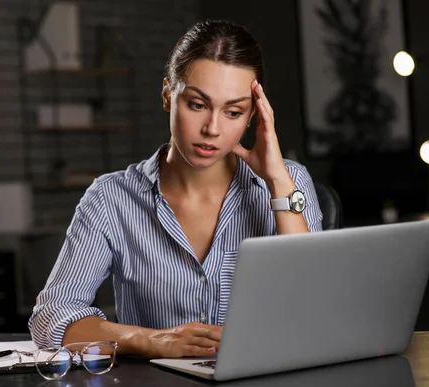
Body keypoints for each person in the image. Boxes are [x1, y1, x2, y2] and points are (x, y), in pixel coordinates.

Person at [29, 19, 323, 359]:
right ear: (168, 95)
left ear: (254, 116)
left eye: (233, 111)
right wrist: (152, 340)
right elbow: (50, 317)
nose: (212, 129)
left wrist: (278, 182)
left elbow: (316, 309)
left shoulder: (290, 185)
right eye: (197, 105)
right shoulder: (110, 199)